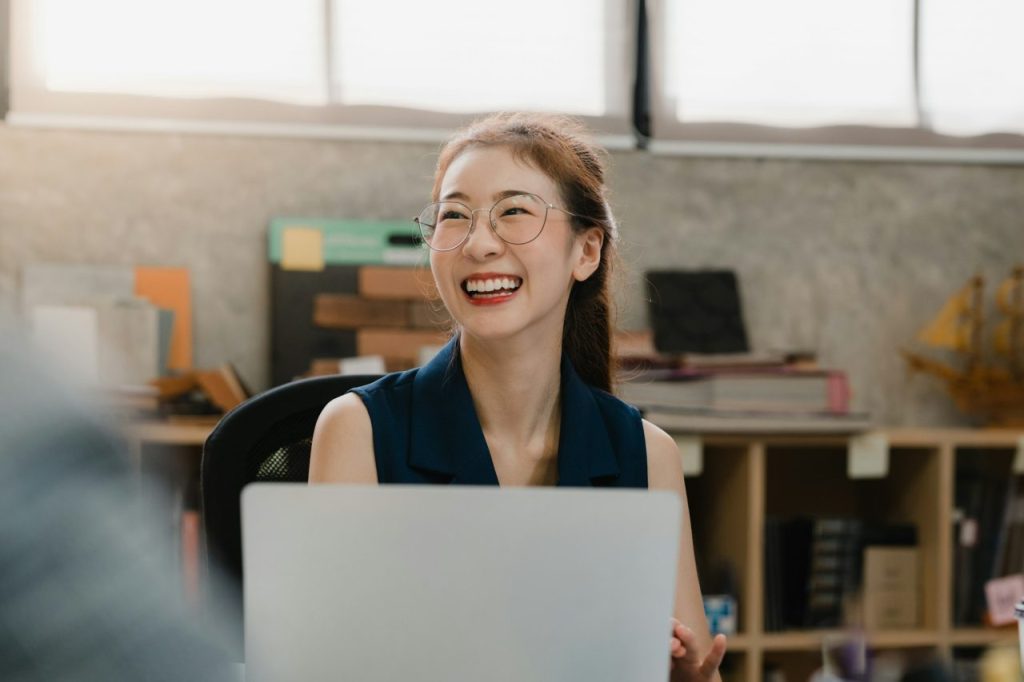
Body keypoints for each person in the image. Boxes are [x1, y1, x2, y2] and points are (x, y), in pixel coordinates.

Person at [308, 112, 728, 682]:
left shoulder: (647, 454)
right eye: (454, 216)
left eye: (514, 212)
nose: (480, 244)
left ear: (586, 252)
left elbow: (694, 666)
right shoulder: (358, 429)